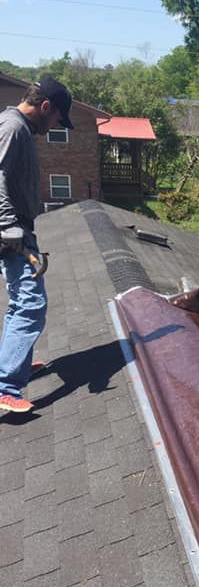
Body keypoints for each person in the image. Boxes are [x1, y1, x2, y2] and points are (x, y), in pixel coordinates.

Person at [0, 76, 73, 413]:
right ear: (46, 107)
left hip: (19, 230)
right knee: (31, 303)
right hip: (11, 233)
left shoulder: (21, 130)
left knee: (22, 301)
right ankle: (5, 386)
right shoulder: (12, 128)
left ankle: (15, 362)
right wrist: (8, 227)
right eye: (58, 117)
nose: (57, 124)